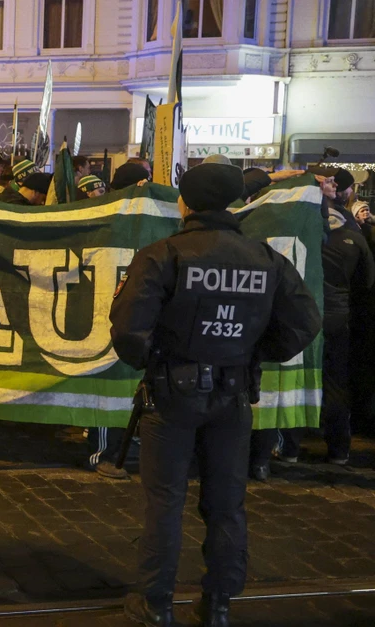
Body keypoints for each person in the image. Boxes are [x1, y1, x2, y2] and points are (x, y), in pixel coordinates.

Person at [110, 162, 321, 627]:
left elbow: (128, 332)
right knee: (227, 503)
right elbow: (304, 322)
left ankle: (155, 605)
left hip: (171, 396)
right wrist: (250, 352)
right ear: (235, 202)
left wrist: (158, 359)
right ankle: (219, 604)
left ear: (184, 202)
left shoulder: (162, 255)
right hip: (233, 395)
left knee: (164, 502)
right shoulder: (265, 259)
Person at [279, 168, 373, 467]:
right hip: (337, 318)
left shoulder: (299, 227)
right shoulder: (353, 235)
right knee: (335, 383)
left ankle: (290, 448)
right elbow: (367, 281)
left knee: (297, 381)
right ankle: (339, 451)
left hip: (303, 316)